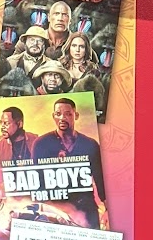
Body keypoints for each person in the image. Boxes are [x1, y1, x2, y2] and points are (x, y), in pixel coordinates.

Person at [29, 97, 109, 229]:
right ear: (53, 116)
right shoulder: (41, 144)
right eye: (58, 114)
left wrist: (108, 210)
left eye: (67, 114)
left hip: (86, 210)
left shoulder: (90, 145)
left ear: (76, 115)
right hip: (54, 210)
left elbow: (101, 181)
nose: (62, 118)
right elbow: (36, 183)